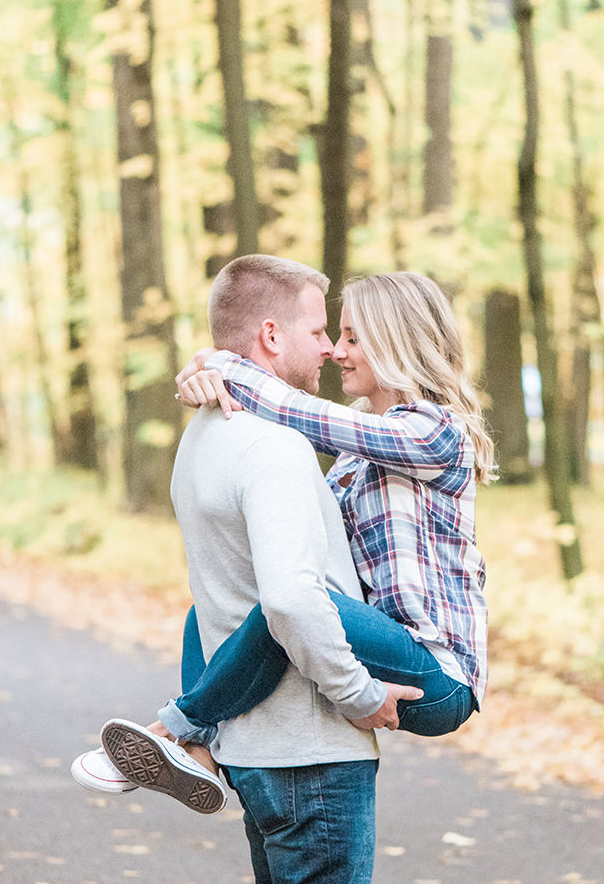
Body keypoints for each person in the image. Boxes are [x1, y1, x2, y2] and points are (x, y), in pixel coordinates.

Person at [74, 255, 421, 884]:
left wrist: (208, 365)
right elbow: (288, 599)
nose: (329, 349)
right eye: (319, 332)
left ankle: (191, 737)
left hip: (255, 751)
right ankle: (182, 729)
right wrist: (360, 695)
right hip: (310, 750)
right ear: (270, 335)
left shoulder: (202, 438)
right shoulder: (275, 448)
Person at [158, 269, 491, 754]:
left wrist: (221, 363)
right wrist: (211, 367)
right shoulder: (361, 452)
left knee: (293, 600)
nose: (336, 350)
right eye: (335, 335)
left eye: (352, 337)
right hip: (376, 643)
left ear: (395, 344)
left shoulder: (434, 434)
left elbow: (301, 414)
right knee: (210, 607)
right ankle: (201, 751)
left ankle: (178, 727)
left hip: (436, 672)